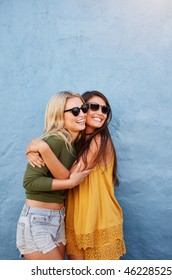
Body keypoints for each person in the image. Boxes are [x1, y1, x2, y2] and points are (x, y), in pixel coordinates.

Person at [26, 90, 126, 260]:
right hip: (75, 221)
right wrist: (31, 149)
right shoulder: (73, 143)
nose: (100, 113)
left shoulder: (99, 140)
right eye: (93, 107)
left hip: (99, 220)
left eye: (105, 110)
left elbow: (68, 176)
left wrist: (42, 148)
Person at [16, 91, 91, 260]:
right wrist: (69, 184)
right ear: (59, 115)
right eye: (75, 111)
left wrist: (36, 146)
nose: (82, 114)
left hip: (58, 220)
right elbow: (30, 182)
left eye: (84, 108)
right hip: (37, 220)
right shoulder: (54, 141)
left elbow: (63, 174)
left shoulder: (74, 144)